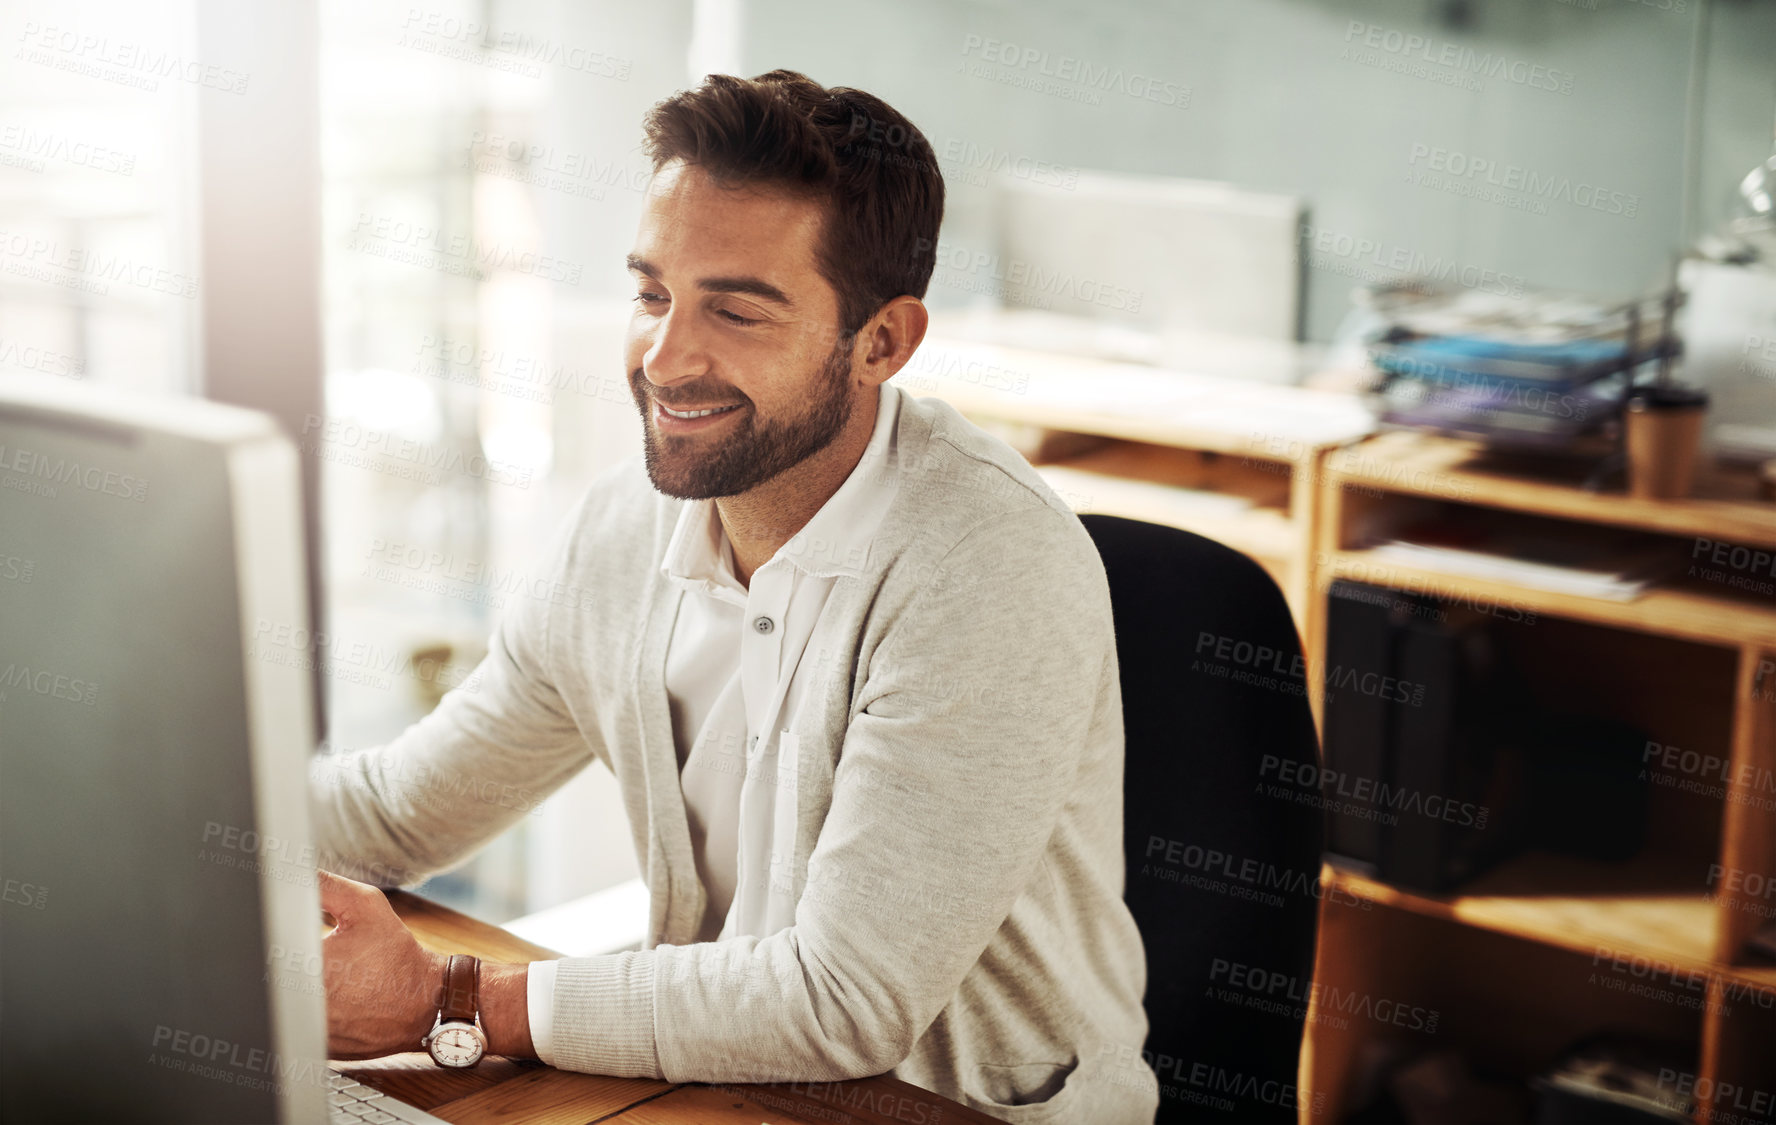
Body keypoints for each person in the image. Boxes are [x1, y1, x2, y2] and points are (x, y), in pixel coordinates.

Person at [310, 68, 1160, 1124]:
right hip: (710, 1082)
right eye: (653, 293)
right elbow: (394, 813)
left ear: (883, 341)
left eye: (739, 311)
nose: (666, 358)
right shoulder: (627, 529)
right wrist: (156, 811)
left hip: (948, 1109)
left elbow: (840, 1003)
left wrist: (448, 1001)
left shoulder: (985, 569)